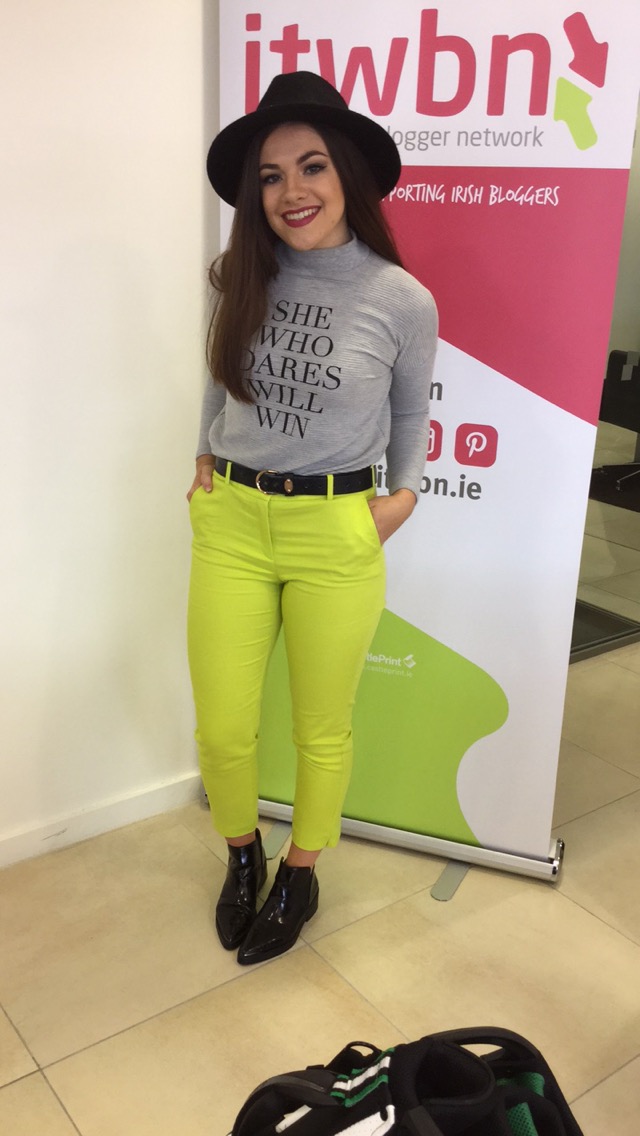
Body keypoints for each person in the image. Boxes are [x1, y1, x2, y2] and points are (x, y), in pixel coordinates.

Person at [187, 71, 438, 966]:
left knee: (321, 728)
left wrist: (401, 497)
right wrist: (204, 456)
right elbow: (219, 376)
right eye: (270, 175)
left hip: (335, 532)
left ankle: (301, 871)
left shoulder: (400, 298)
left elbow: (410, 414)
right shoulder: (240, 275)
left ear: (348, 176)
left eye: (312, 166)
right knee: (223, 726)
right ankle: (242, 855)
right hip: (232, 522)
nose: (291, 191)